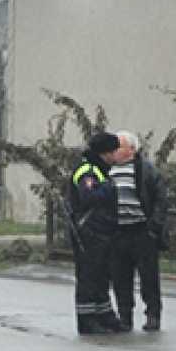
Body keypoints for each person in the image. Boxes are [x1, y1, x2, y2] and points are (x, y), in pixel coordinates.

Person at [107, 131, 168, 332]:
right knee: (120, 276)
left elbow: (160, 200)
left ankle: (153, 314)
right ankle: (124, 315)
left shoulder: (147, 171)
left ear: (132, 149)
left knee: (149, 276)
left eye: (119, 146)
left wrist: (153, 228)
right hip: (117, 231)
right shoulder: (108, 170)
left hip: (142, 231)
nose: (115, 151)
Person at [69, 132, 123, 335]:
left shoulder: (100, 170)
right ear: (105, 153)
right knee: (89, 277)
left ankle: (104, 315)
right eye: (114, 151)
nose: (117, 155)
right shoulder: (88, 171)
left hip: (102, 230)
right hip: (90, 231)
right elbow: (88, 197)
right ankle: (87, 320)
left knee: (102, 276)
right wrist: (108, 188)